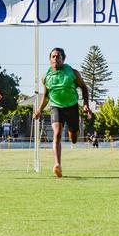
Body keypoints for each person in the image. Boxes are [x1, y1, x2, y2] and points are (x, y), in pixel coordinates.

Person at [34, 48, 92, 178]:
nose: (55, 59)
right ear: (50, 59)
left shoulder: (72, 72)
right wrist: (39, 110)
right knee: (57, 133)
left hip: (72, 107)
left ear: (63, 59)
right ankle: (57, 165)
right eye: (53, 57)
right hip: (56, 107)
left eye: (58, 57)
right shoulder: (46, 77)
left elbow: (83, 87)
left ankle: (74, 133)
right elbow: (46, 96)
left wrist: (86, 104)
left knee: (74, 138)